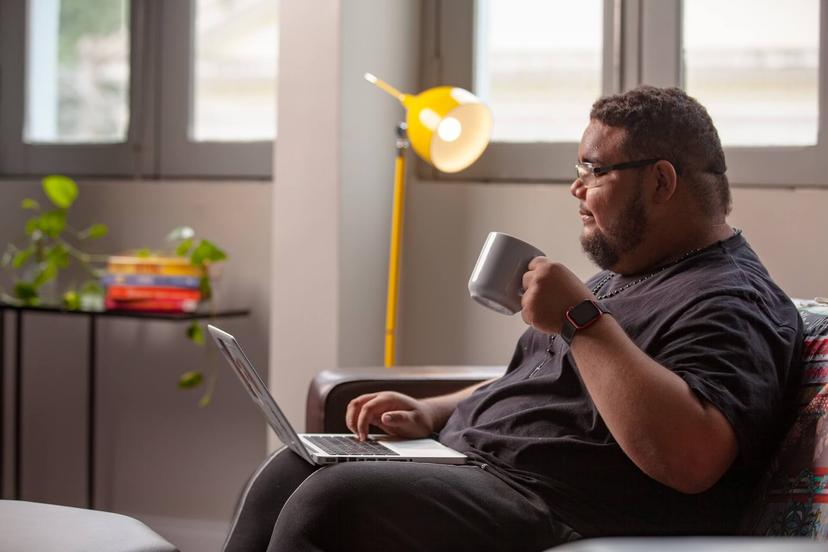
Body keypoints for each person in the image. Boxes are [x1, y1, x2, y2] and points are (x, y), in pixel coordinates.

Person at [223, 86, 803, 552]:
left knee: (333, 500)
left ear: (661, 181)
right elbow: (531, 380)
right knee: (287, 469)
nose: (575, 188)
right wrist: (430, 411)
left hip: (557, 503)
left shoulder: (732, 301)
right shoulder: (625, 278)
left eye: (594, 169)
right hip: (482, 469)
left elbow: (694, 456)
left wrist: (582, 320)